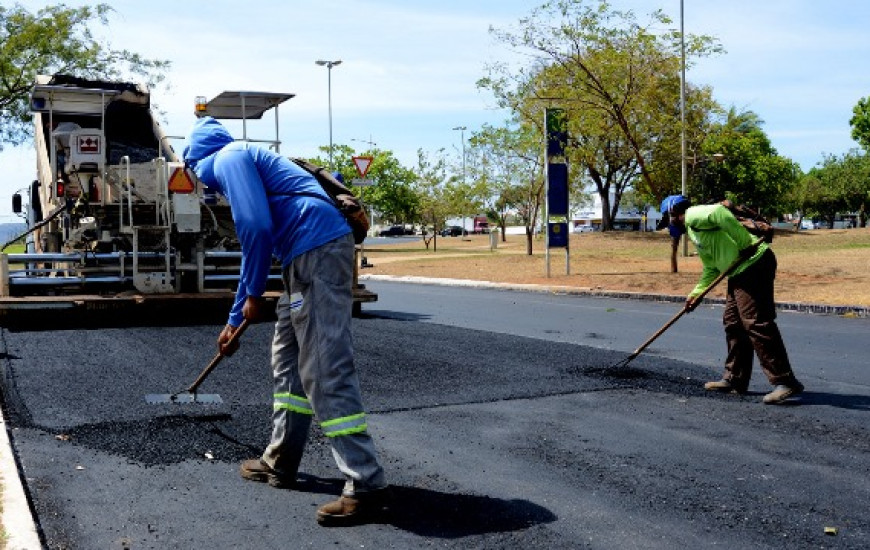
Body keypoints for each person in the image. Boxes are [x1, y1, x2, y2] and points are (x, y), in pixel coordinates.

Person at [183, 116, 388, 526]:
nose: (206, 186)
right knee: (289, 361)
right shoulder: (245, 157)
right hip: (302, 256)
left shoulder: (226, 157)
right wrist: (236, 312)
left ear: (195, 161)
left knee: (324, 366)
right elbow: (258, 235)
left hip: (318, 249)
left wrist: (252, 297)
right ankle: (280, 460)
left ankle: (365, 482)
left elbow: (254, 228)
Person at [658, 194, 804, 405]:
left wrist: (744, 243)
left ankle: (785, 381)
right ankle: (735, 379)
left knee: (755, 322)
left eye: (668, 220)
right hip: (738, 271)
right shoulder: (694, 230)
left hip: (754, 263)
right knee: (733, 323)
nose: (669, 226)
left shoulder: (693, 215)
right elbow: (711, 268)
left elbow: (719, 212)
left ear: (673, 213)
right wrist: (696, 294)